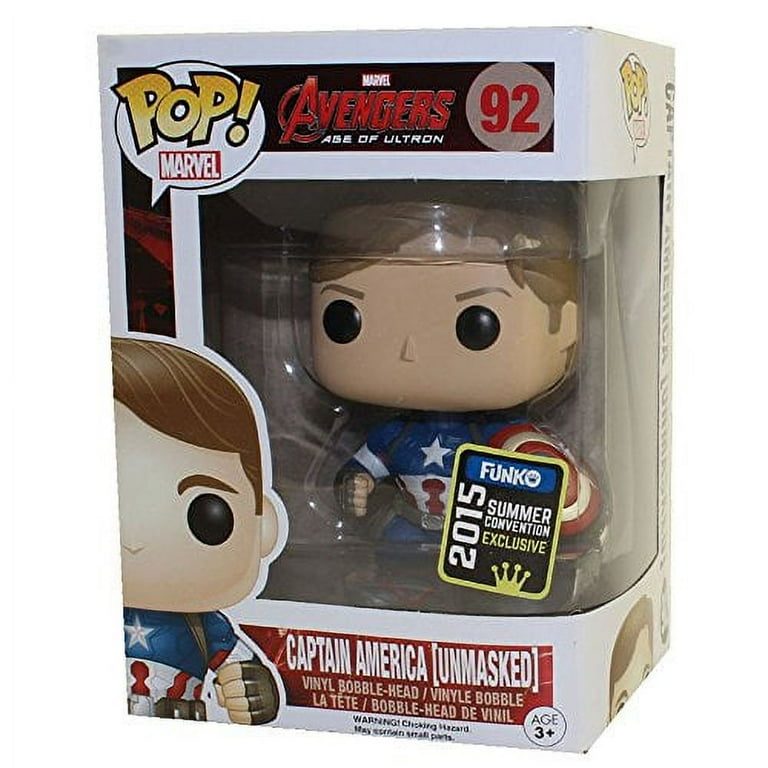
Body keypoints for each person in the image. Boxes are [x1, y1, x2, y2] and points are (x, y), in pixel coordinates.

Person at [310, 201, 602, 607]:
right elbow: (359, 470)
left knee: (486, 587)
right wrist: (354, 486)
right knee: (396, 555)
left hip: (478, 542)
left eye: (476, 324)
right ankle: (400, 597)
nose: (410, 351)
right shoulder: (395, 435)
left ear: (567, 326)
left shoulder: (500, 436)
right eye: (346, 317)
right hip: (407, 529)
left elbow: (560, 492)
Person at [113, 337, 283, 723]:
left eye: (207, 516)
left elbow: (244, 672)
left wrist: (252, 690)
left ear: (264, 527)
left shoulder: (201, 624)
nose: (134, 541)